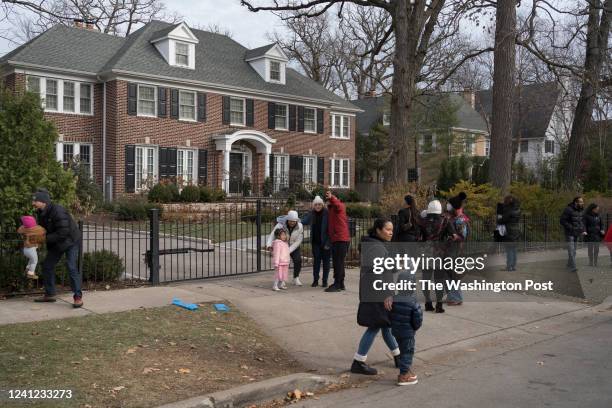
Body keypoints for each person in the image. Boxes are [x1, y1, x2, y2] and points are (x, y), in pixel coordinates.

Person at [352, 217, 400, 375]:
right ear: (378, 230)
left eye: (392, 230)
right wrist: (387, 293)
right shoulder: (376, 246)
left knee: (386, 325)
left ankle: (398, 356)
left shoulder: (374, 244)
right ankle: (358, 361)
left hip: (373, 291)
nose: (390, 233)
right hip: (377, 293)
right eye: (387, 229)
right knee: (375, 326)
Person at [32, 188, 83, 307]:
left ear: (43, 201)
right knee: (47, 265)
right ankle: (50, 294)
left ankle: (77, 297)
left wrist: (44, 239)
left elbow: (63, 232)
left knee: (71, 267)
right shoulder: (41, 212)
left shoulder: (57, 211)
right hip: (57, 242)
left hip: (71, 241)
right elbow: (43, 229)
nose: (33, 203)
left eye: (35, 201)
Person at [420, 200, 457, 313]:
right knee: (438, 280)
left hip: (426, 252)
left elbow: (419, 237)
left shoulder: (423, 221)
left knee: (426, 279)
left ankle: (427, 303)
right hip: (439, 253)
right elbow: (454, 236)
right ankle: (439, 305)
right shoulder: (445, 221)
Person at [266, 210, 304, 286]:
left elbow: (299, 240)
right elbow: (272, 235)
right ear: (287, 219)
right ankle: (281, 280)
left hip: (293, 246)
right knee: (281, 264)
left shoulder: (300, 226)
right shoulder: (280, 225)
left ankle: (296, 277)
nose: (292, 223)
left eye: (294, 221)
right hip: (281, 247)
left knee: (298, 260)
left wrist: (288, 250)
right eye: (290, 221)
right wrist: (269, 245)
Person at [301, 196, 331, 287]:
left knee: (326, 263)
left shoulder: (327, 213)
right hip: (315, 243)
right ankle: (315, 280)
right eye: (316, 205)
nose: (318, 206)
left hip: (325, 242)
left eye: (319, 204)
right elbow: (304, 221)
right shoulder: (312, 213)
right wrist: (294, 219)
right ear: (314, 206)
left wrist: (328, 243)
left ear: (322, 205)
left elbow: (331, 230)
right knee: (316, 262)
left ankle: (325, 280)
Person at [445, 192, 470, 306]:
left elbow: (462, 236)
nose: (447, 206)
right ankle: (453, 296)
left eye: (449, 205)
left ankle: (456, 297)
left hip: (456, 251)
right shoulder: (456, 218)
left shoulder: (460, 219)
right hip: (454, 250)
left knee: (453, 275)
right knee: (451, 274)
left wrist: (454, 237)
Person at [324, 189, 351, 292]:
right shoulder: (332, 209)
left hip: (341, 239)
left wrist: (332, 198)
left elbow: (338, 205)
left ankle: (337, 284)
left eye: (330, 197)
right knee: (339, 262)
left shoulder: (339, 206)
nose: (328, 199)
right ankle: (341, 283)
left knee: (338, 263)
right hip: (337, 238)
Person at [560, 196, 586, 272]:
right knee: (571, 250)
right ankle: (573, 267)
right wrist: (571, 227)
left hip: (576, 233)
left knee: (574, 251)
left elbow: (581, 222)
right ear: (576, 202)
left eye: (582, 201)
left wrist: (583, 229)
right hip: (569, 233)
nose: (582, 203)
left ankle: (569, 264)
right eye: (581, 202)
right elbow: (562, 220)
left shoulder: (581, 210)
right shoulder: (568, 209)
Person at [498, 195, 521, 271]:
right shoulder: (518, 210)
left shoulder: (508, 210)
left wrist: (499, 217)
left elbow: (502, 220)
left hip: (509, 231)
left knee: (509, 250)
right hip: (516, 231)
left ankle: (509, 267)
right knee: (514, 249)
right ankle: (513, 266)